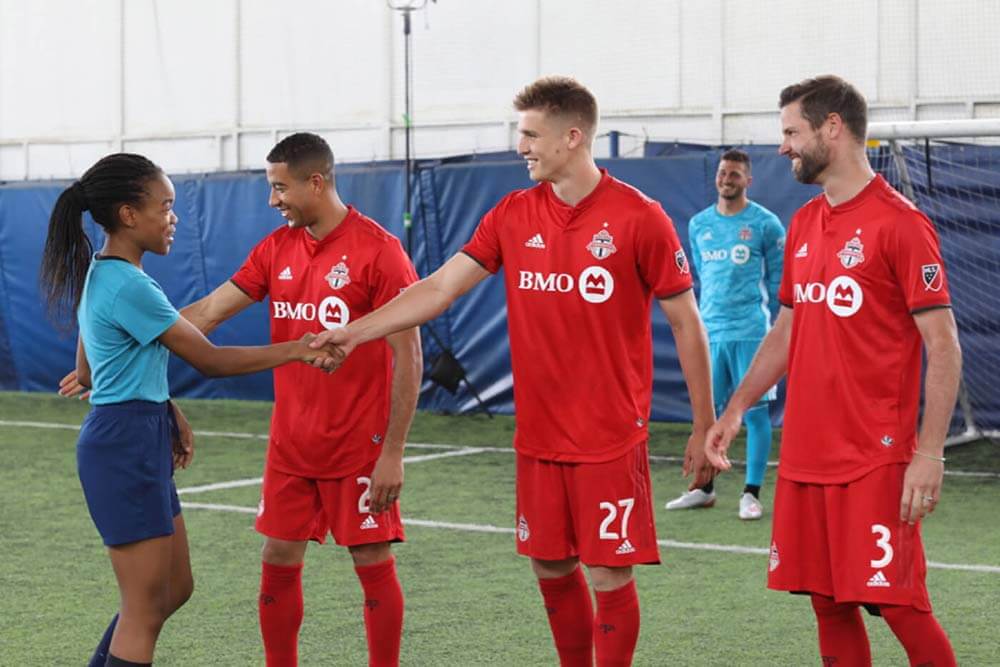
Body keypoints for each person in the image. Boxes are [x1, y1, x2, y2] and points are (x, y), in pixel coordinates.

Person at [310, 77, 715, 667]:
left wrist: (703, 424)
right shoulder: (512, 213)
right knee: (549, 564)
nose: (519, 145)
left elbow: (686, 324)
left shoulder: (639, 217)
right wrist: (355, 331)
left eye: (529, 134)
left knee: (607, 572)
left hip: (608, 436)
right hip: (539, 436)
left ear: (572, 137)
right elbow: (441, 287)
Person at [39, 153, 333, 667]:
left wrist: (163, 407)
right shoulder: (129, 284)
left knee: (175, 588)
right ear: (129, 215)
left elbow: (87, 373)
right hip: (124, 441)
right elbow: (212, 361)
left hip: (137, 429)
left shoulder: (105, 275)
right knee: (145, 608)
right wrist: (298, 348)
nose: (172, 217)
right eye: (165, 206)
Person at [704, 75, 960, 666]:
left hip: (875, 456)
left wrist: (930, 452)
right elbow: (787, 332)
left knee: (900, 604)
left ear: (832, 128)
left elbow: (943, 345)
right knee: (826, 602)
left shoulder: (901, 224)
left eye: (792, 132)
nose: (783, 147)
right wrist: (737, 408)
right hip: (806, 456)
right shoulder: (802, 225)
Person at [146, 133, 419, 667]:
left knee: (371, 557)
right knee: (277, 555)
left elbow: (409, 356)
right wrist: (128, 341)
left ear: (315, 182)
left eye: (280, 188)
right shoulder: (277, 248)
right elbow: (208, 313)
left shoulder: (379, 250)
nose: (273, 201)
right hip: (291, 443)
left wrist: (393, 451)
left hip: (358, 444)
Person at [664, 149, 785, 520]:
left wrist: (775, 333)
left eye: (734, 174)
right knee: (708, 411)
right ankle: (704, 488)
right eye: (722, 173)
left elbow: (780, 283)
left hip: (751, 333)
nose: (726, 179)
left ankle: (751, 494)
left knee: (756, 413)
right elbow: (701, 275)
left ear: (748, 181)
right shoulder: (699, 224)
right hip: (709, 334)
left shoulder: (766, 224)